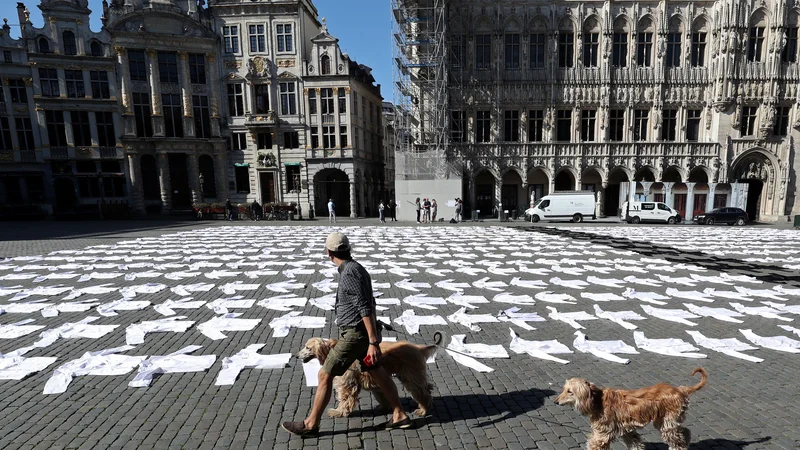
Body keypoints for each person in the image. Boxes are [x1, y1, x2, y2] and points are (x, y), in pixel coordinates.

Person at [282, 232, 411, 436]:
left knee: (324, 373)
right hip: (361, 335)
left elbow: (364, 306)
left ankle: (310, 424)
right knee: (378, 372)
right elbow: (370, 302)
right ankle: (399, 414)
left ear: (329, 252)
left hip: (354, 337)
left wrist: (372, 341)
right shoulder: (357, 268)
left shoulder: (350, 273)